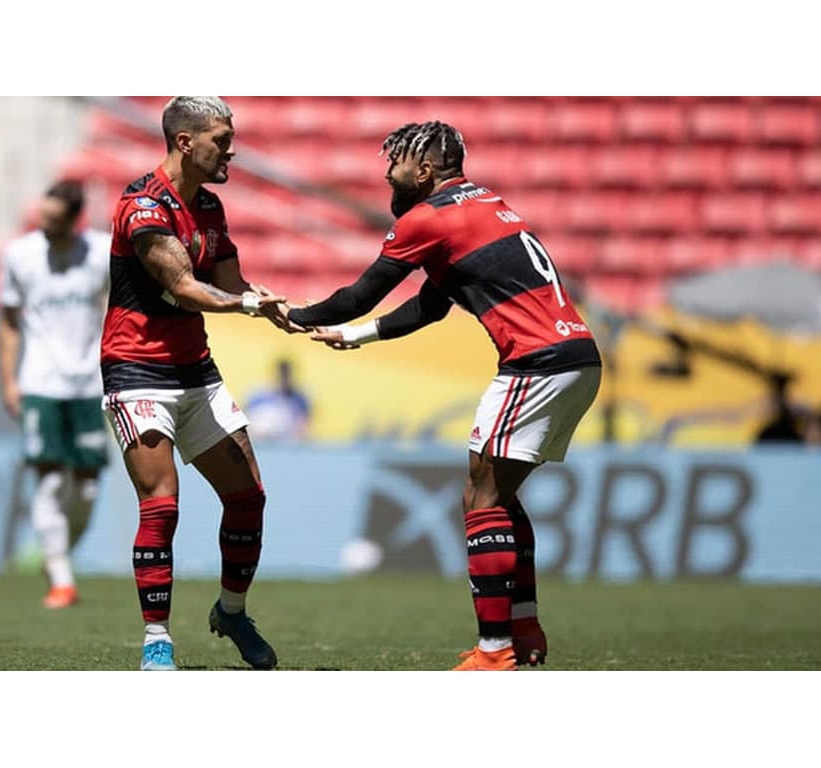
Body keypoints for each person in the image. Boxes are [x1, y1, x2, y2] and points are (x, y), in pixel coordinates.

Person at [287, 121, 603, 671]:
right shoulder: (480, 206)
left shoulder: (428, 218)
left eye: (398, 163)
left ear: (426, 171)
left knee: (479, 499)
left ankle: (495, 651)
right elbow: (429, 307)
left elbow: (361, 294)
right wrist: (356, 338)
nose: (388, 171)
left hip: (535, 363)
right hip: (577, 358)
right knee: (498, 498)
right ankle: (523, 632)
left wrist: (291, 314)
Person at [100, 96, 303, 671]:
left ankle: (232, 612)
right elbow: (187, 287)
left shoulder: (210, 208)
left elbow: (234, 284)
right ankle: (156, 639)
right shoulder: (141, 207)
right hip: (136, 369)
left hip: (195, 371)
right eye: (221, 138)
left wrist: (280, 308)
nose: (231, 149)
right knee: (162, 505)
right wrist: (246, 304)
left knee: (248, 497)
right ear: (186, 142)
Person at [0, 179, 111, 609]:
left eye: (56, 220)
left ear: (75, 220)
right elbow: (8, 321)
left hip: (88, 384)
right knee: (48, 479)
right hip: (41, 383)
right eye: (43, 217)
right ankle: (62, 578)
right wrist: (9, 379)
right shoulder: (20, 255)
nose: (46, 226)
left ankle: (57, 556)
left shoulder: (99, 253)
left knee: (86, 491)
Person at [245, 358, 312, 441]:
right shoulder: (258, 396)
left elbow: (303, 430)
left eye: (286, 376)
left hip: (287, 446)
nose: (284, 379)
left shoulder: (300, 399)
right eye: (281, 375)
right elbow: (247, 426)